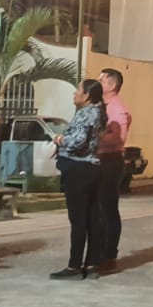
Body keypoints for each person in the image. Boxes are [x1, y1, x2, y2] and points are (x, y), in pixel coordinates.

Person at [50, 79, 107, 279]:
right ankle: (92, 264)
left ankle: (74, 266)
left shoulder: (86, 114)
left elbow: (78, 141)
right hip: (91, 168)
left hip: (78, 170)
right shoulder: (97, 113)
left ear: (87, 95)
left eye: (78, 90)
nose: (74, 93)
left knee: (78, 220)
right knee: (92, 218)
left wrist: (60, 139)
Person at [93, 67, 131, 274]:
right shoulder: (101, 106)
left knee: (107, 209)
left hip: (110, 161)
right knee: (97, 209)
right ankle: (98, 252)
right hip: (99, 160)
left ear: (112, 85)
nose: (98, 83)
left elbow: (118, 139)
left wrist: (93, 137)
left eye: (102, 81)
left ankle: (109, 255)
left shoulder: (117, 108)